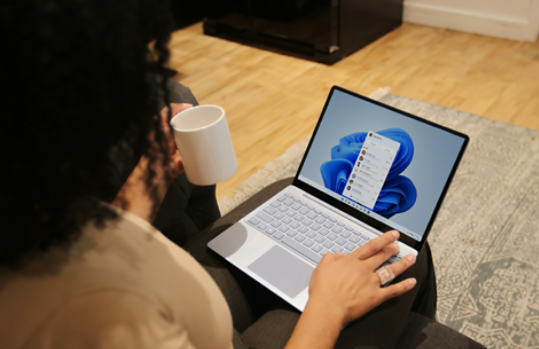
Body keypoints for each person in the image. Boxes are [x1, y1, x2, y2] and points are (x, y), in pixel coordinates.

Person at [0, 1, 484, 348]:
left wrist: (148, 175)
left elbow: (92, 241)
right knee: (401, 256)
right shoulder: (102, 314)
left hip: (175, 285)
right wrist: (326, 308)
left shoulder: (38, 220)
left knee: (290, 194)